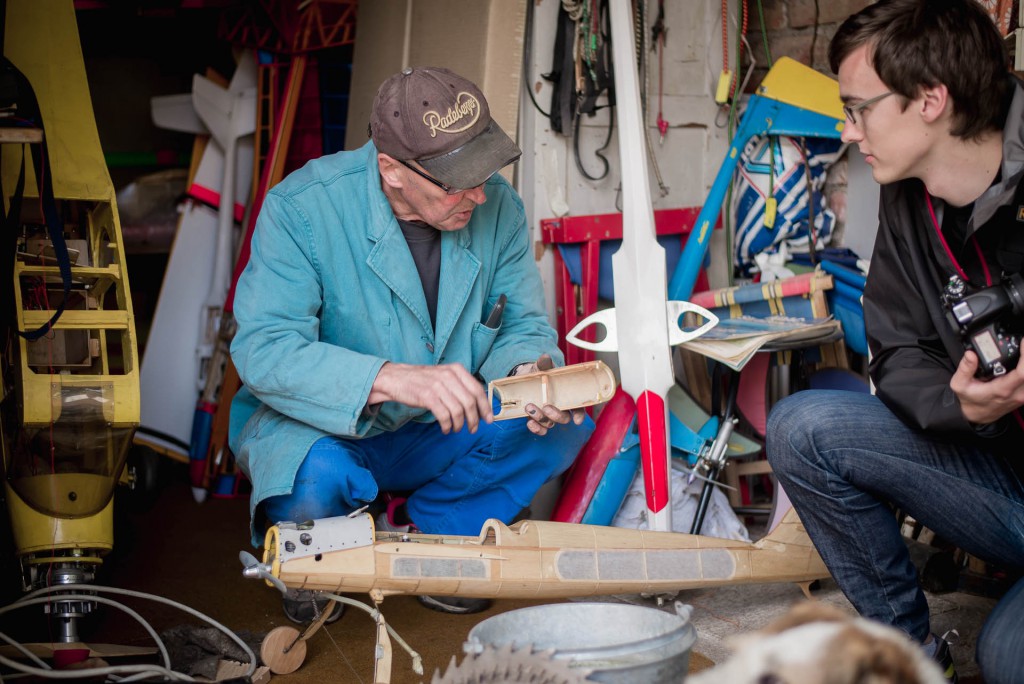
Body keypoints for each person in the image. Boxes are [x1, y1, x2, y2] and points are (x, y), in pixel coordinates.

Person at [228, 66, 595, 621]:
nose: (478, 192)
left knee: (563, 425)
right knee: (313, 491)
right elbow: (264, 347)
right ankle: (330, 544)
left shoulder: (499, 208)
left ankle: (438, 534)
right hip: (327, 430)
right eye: (455, 181)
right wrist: (390, 377)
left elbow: (522, 323)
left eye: (483, 168)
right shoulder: (303, 209)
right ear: (392, 171)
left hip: (439, 428)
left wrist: (527, 373)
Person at [766, 1, 1024, 682]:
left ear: (931, 100)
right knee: (804, 426)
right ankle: (906, 659)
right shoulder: (911, 197)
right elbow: (895, 348)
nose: (849, 133)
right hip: (1003, 483)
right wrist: (962, 405)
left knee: (1006, 659)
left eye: (860, 109)